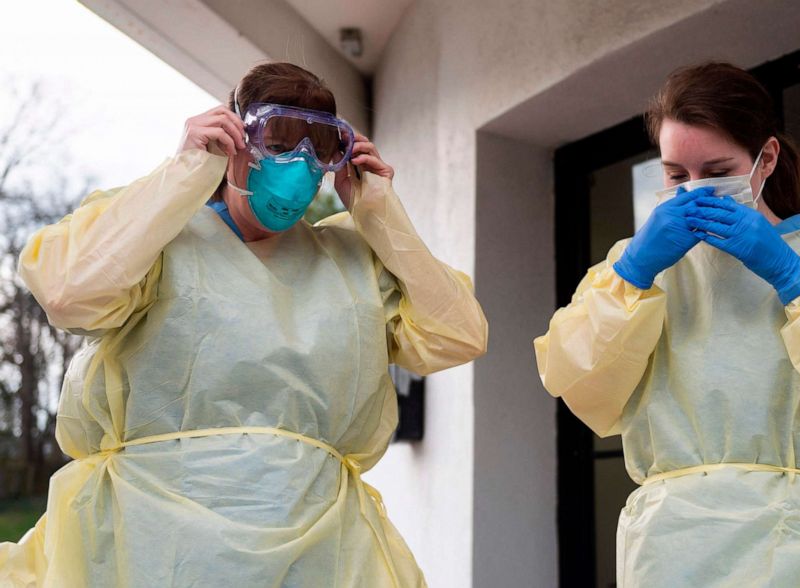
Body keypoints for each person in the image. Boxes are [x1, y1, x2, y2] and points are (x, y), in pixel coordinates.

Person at [0, 61, 487, 587]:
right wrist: (185, 172)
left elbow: (458, 335)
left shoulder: (353, 260)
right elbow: (71, 295)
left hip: (320, 552)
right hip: (144, 547)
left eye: (317, 150)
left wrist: (381, 214)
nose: (299, 167)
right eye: (278, 145)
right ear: (236, 140)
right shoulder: (156, 238)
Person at [534, 62, 800, 587]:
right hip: (675, 550)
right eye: (676, 175)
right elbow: (574, 379)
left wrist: (794, 277)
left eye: (716, 170)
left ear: (765, 159)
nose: (694, 191)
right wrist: (631, 275)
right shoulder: (635, 270)